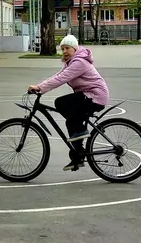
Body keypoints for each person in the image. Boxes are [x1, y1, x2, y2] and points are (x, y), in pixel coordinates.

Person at [28, 35, 110, 171]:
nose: (65, 51)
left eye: (67, 48)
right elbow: (57, 76)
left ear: (75, 48)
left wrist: (40, 88)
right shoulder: (71, 62)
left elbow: (62, 78)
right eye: (62, 49)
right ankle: (78, 157)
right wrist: (40, 86)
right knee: (71, 122)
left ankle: (82, 131)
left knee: (61, 103)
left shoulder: (79, 62)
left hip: (95, 97)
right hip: (87, 96)